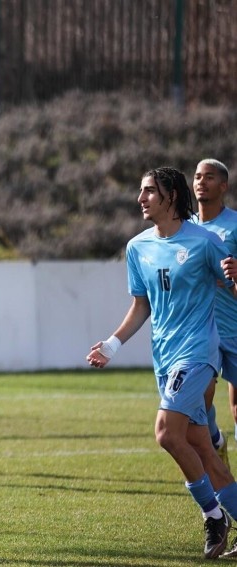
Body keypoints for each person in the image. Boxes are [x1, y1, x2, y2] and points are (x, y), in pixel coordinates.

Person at [87, 166, 237, 560]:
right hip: (165, 358)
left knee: (166, 433)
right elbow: (142, 306)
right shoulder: (138, 247)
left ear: (171, 195)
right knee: (201, 448)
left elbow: (233, 288)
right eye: (140, 191)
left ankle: (214, 516)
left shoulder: (204, 241)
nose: (141, 199)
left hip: (199, 353)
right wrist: (112, 344)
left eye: (149, 191)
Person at [192, 160, 237, 472]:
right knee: (200, 398)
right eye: (197, 176)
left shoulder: (235, 225)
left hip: (233, 326)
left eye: (209, 177)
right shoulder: (184, 228)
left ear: (223, 186)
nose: (201, 182)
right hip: (201, 330)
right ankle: (215, 440)